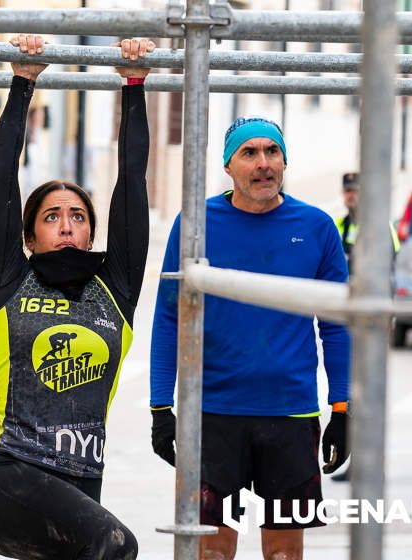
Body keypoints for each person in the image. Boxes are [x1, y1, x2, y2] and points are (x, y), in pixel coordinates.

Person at [0, 34, 154, 560]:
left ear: (92, 233)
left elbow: (133, 183)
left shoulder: (114, 289)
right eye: (51, 217)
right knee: (117, 546)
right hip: (11, 475)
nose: (67, 225)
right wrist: (23, 82)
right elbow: (1, 179)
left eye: (77, 216)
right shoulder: (10, 280)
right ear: (30, 238)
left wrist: (134, 85)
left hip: (80, 482)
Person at [149, 117, 351, 560]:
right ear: (228, 165)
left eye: (272, 152)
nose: (263, 164)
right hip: (214, 415)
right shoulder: (197, 222)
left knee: (283, 554)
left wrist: (342, 408)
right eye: (249, 153)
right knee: (213, 553)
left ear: (284, 160)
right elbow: (169, 317)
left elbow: (336, 325)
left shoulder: (317, 227)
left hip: (291, 416)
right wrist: (161, 406)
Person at [334, 171, 400, 275]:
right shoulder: (339, 225)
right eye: (348, 191)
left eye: (355, 191)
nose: (351, 195)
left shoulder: (380, 224)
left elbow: (391, 258)